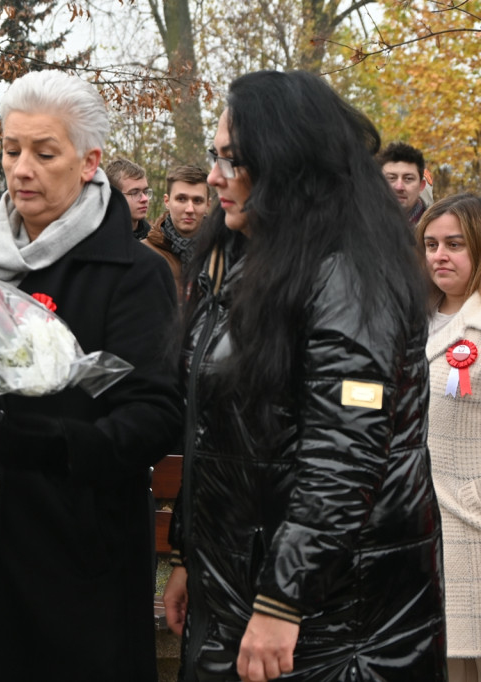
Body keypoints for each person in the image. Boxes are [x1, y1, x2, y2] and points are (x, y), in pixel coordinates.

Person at [162, 70, 445, 681]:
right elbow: (216, 428)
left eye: (232, 160)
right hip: (239, 585)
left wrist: (281, 598)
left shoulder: (346, 273)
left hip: (332, 618)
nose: (213, 178)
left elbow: (345, 452)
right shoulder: (243, 262)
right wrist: (191, 553)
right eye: (216, 158)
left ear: (287, 164)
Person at [0, 70, 182, 681]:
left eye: (44, 152)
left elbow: (156, 412)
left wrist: (59, 447)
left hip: (74, 555)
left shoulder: (132, 274)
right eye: (11, 150)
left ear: (89, 162)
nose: (21, 169)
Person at [418, 193, 481, 682]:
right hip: (418, 529)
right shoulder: (409, 318)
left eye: (454, 244)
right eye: (431, 243)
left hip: (472, 529)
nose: (439, 254)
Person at [144, 164, 210, 301]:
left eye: (197, 200)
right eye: (181, 199)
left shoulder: (224, 254)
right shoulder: (143, 254)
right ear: (167, 201)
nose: (190, 209)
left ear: (208, 205)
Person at [378, 141, 429, 226]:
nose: (399, 187)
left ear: (421, 186)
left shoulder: (437, 228)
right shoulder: (361, 225)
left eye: (408, 179)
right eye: (391, 178)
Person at [105, 157, 153, 239]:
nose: (145, 199)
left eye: (145, 192)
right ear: (113, 197)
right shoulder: (96, 241)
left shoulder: (154, 240)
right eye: (134, 193)